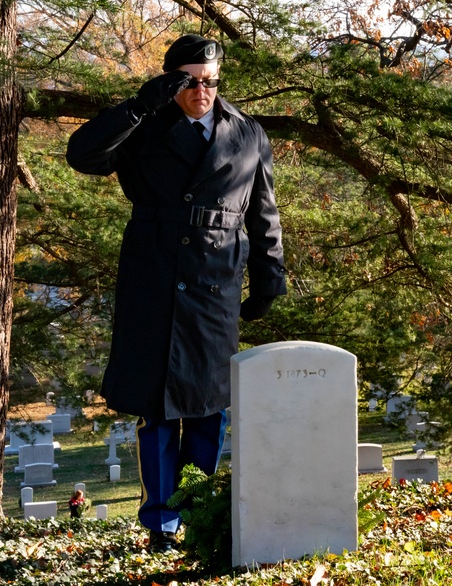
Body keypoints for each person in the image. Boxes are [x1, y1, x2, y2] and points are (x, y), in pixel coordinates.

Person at [66, 34, 287, 553]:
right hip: (154, 282)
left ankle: (199, 510)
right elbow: (82, 153)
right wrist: (142, 104)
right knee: (159, 409)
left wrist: (269, 279)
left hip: (215, 289)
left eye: (210, 81)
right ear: (172, 81)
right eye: (190, 81)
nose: (202, 90)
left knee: (209, 408)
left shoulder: (248, 134)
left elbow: (265, 215)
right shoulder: (144, 128)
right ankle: (161, 523)